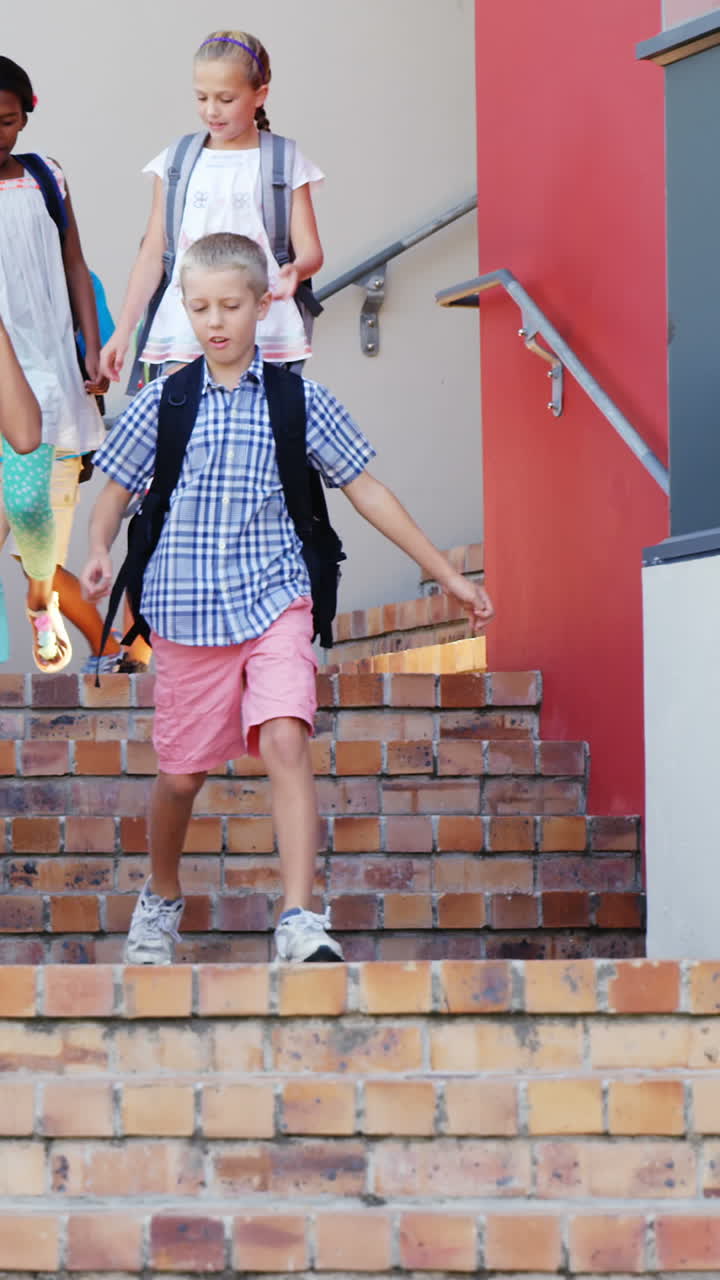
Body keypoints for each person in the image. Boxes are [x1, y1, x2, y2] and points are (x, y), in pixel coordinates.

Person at [81, 233, 495, 966]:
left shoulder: (299, 401)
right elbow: (113, 492)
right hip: (185, 612)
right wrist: (96, 550)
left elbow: (367, 488)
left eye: (230, 305)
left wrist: (447, 573)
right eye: (200, 307)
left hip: (276, 598)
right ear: (185, 309)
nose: (215, 321)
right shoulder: (162, 403)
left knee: (285, 740)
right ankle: (162, 896)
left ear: (262, 305)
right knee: (179, 777)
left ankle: (300, 918)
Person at [99, 27, 324, 386]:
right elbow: (153, 253)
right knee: (182, 416)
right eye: (201, 97)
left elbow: (311, 251)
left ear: (260, 95)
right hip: (186, 326)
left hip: (262, 326)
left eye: (226, 99)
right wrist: (123, 332)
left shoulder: (284, 161)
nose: (211, 110)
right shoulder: (176, 160)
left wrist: (296, 270)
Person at [0, 56, 105, 671]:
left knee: (33, 513)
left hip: (48, 376)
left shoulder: (45, 177)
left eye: (7, 120)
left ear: (25, 117)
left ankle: (43, 598)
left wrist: (90, 345)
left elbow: (74, 264)